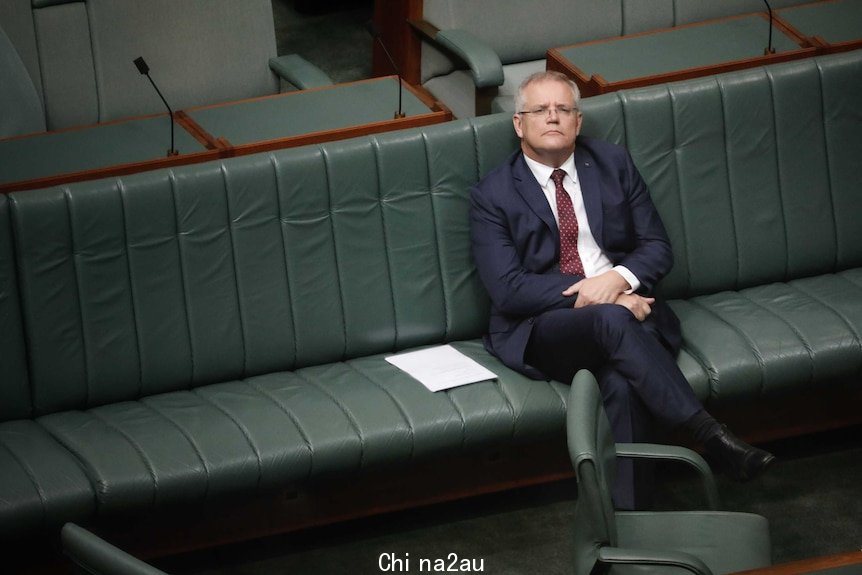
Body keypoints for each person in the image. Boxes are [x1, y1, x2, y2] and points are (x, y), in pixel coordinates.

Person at [469, 71, 774, 510]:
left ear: (578, 121)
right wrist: (603, 296)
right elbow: (509, 290)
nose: (552, 118)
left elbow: (657, 247)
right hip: (544, 328)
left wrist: (616, 281)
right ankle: (709, 436)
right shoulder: (492, 194)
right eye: (540, 110)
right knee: (614, 320)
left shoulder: (613, 163)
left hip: (631, 311)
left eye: (563, 110)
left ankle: (630, 518)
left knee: (622, 379)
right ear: (519, 123)